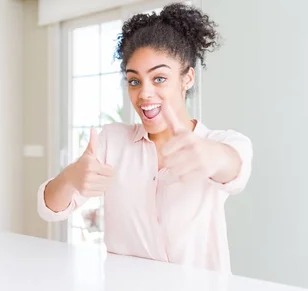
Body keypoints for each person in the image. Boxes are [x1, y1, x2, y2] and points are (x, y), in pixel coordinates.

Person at [37, 3, 253, 274]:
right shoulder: (111, 142)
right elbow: (49, 209)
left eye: (159, 78)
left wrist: (210, 156)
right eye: (134, 81)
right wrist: (71, 177)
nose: (144, 94)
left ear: (187, 78)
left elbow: (235, 167)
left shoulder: (221, 142)